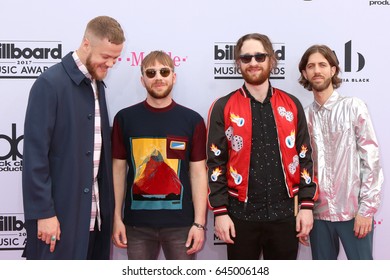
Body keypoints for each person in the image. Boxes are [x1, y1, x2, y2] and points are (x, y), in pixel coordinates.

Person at [206, 33, 318, 260]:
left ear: (271, 61)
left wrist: (306, 206)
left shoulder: (292, 105)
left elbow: (305, 157)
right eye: (246, 58)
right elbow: (215, 163)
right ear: (238, 63)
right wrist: (220, 212)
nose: (253, 62)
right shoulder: (223, 106)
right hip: (239, 217)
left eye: (259, 56)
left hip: (285, 216)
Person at [22, 16, 125, 259]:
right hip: (59, 221)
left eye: (115, 58)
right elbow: (35, 158)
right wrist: (44, 213)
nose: (110, 64)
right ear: (86, 44)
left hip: (95, 221)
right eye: (105, 56)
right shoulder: (49, 84)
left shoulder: (96, 84)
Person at [111, 50, 208, 260]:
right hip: (136, 226)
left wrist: (199, 223)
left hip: (181, 225)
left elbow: (199, 173)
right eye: (151, 72)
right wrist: (116, 218)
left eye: (164, 71)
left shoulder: (192, 121)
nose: (158, 78)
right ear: (142, 79)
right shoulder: (124, 119)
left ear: (173, 77)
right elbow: (118, 171)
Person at [298, 44, 383, 260]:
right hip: (317, 215)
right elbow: (298, 168)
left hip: (354, 213)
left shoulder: (354, 107)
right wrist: (302, 212)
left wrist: (367, 210)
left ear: (333, 70)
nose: (317, 70)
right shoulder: (303, 116)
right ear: (305, 73)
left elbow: (370, 161)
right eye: (311, 66)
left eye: (322, 65)